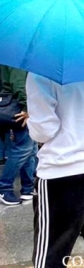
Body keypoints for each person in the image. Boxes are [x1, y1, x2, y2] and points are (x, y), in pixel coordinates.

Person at [27, 73, 84, 268]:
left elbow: (43, 130)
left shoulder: (40, 73)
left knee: (51, 253)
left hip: (63, 167)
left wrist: (31, 121)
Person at [0, 64, 37, 205]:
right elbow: (19, 83)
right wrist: (27, 108)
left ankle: (28, 188)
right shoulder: (18, 59)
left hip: (14, 105)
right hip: (19, 109)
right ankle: (4, 187)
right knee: (24, 148)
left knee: (30, 148)